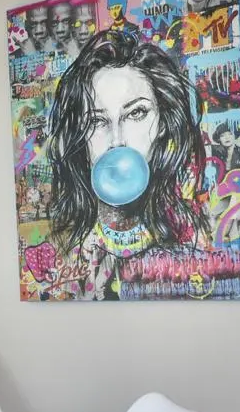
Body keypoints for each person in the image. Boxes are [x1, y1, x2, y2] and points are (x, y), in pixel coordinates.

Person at [41, 28, 209, 298]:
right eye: (96, 120)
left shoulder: (194, 236)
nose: (117, 140)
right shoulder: (61, 248)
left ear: (163, 123)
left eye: (136, 113)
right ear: (79, 137)